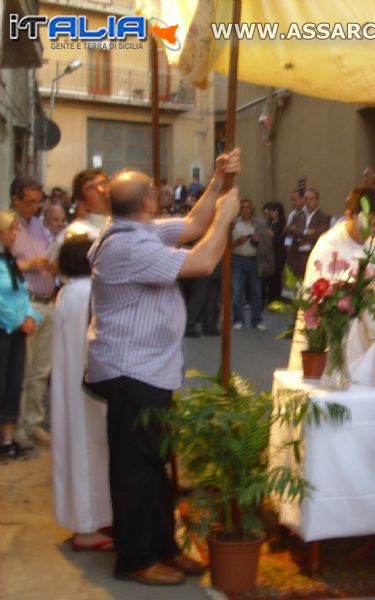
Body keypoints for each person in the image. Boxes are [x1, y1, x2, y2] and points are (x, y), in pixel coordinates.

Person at [85, 149, 241, 586]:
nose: (158, 195)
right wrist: (226, 217)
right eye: (153, 190)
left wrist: (215, 181)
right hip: (130, 371)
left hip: (149, 369)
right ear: (148, 203)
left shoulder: (142, 229)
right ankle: (135, 558)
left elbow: (192, 225)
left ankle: (163, 547)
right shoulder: (128, 246)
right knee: (135, 469)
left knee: (154, 465)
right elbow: (203, 259)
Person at [287, 186, 375, 371]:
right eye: (367, 223)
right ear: (350, 215)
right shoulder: (329, 245)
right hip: (339, 336)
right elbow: (318, 293)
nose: (370, 231)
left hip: (373, 337)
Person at [50, 233, 113, 550]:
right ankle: (87, 528)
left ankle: (87, 520)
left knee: (76, 452)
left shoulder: (66, 292)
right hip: (88, 385)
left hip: (69, 383)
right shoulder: (90, 291)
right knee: (90, 453)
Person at [9, 176, 55, 449]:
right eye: (30, 202)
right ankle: (16, 427)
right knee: (23, 370)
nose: (35, 208)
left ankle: (34, 422)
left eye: (38, 202)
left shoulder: (39, 224)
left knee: (41, 370)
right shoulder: (6, 224)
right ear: (16, 199)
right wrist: (27, 265)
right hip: (24, 303)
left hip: (47, 300)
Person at [0, 210, 40, 462]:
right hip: (4, 330)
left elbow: (21, 293)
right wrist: (17, 321)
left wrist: (30, 316)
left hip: (15, 332)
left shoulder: (9, 260)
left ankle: (7, 440)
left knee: (13, 382)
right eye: (11, 230)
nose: (15, 234)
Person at [48, 169, 111, 264]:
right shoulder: (77, 232)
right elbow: (49, 264)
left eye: (103, 183)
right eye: (91, 188)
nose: (101, 190)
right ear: (84, 202)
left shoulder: (128, 223)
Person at [231, 198, 270, 331]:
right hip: (238, 259)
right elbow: (227, 244)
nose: (245, 210)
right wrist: (237, 241)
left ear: (252, 209)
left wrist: (256, 241)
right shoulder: (234, 224)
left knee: (256, 292)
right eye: (243, 207)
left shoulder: (258, 224)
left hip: (254, 260)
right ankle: (238, 320)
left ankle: (256, 320)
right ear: (239, 210)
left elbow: (266, 244)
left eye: (248, 207)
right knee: (237, 292)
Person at [285, 188, 329, 279]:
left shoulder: (323, 217)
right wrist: (305, 231)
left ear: (317, 200)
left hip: (312, 255)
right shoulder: (298, 215)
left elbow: (318, 235)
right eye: (306, 199)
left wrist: (298, 235)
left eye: (311, 199)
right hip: (297, 256)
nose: (308, 202)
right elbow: (288, 231)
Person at [263, 201, 287, 304]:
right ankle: (270, 298)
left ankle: (275, 299)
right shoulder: (269, 222)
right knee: (269, 277)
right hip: (269, 254)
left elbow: (281, 239)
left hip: (278, 254)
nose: (272, 213)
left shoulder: (282, 223)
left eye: (274, 211)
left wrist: (272, 236)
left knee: (276, 278)